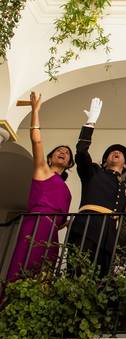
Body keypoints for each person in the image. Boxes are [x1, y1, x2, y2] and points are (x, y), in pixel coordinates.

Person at [6, 92, 74, 280]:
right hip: (34, 225)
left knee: (44, 273)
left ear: (69, 163)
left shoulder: (67, 191)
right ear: (50, 157)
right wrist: (35, 111)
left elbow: (60, 223)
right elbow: (37, 140)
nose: (63, 152)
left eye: (67, 153)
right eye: (59, 150)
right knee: (24, 265)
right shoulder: (43, 171)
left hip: (51, 233)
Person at [66, 97, 126, 273]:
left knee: (102, 278)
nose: (116, 152)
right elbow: (81, 153)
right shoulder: (94, 171)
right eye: (111, 152)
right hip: (87, 226)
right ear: (104, 162)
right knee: (78, 271)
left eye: (120, 153)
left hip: (108, 233)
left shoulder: (125, 190)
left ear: (125, 164)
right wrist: (90, 122)